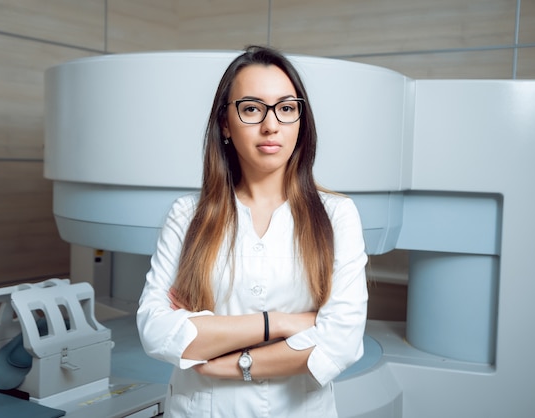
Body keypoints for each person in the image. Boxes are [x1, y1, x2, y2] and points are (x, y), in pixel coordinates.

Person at [137, 45, 368, 417]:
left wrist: (224, 360)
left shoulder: (337, 216)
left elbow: (340, 342)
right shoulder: (186, 216)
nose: (271, 124)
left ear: (300, 121)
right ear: (225, 124)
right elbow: (157, 331)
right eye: (251, 108)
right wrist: (279, 324)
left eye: (286, 108)